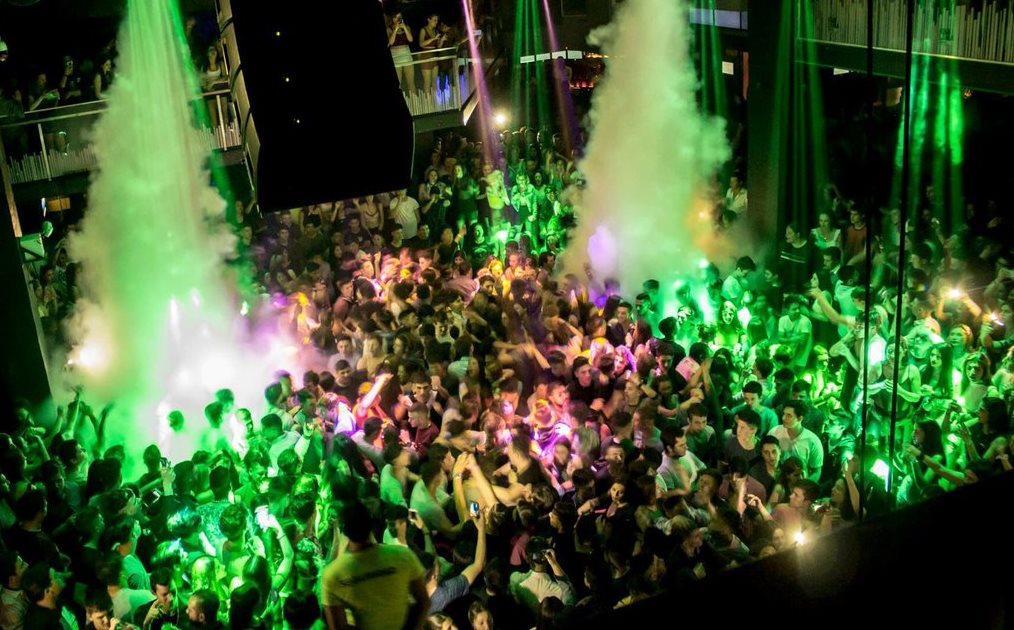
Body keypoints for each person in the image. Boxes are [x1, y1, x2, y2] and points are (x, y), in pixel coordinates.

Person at [321, 501, 429, 630]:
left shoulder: (332, 575)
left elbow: (338, 627)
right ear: (371, 525)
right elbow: (423, 602)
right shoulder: (403, 556)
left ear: (343, 530)